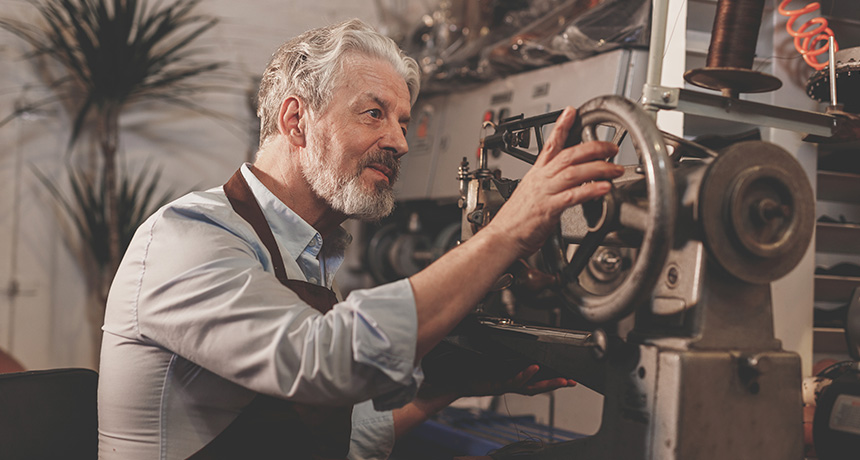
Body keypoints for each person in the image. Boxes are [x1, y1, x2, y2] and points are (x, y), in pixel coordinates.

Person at [97, 19, 623, 460]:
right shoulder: (187, 238)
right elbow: (324, 361)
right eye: (374, 113)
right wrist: (506, 234)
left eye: (402, 122)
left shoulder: (307, 255)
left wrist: (455, 383)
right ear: (297, 120)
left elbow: (334, 437)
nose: (398, 141)